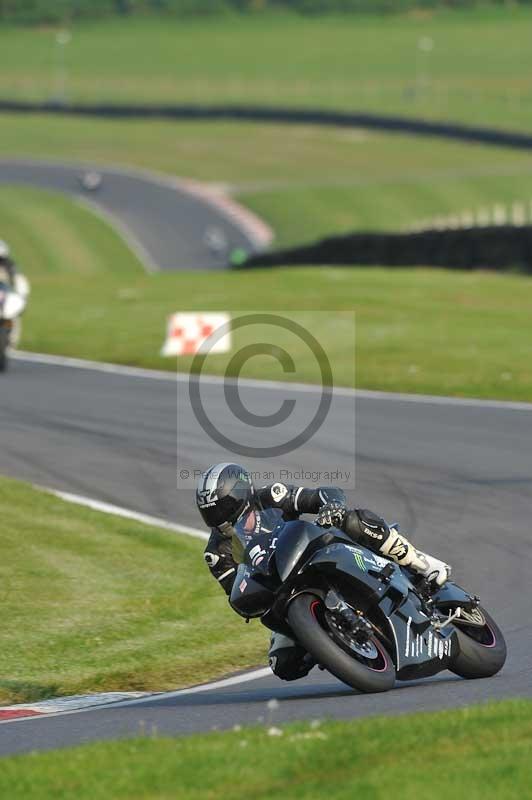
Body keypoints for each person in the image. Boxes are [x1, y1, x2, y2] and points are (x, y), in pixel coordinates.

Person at [197, 462, 451, 682]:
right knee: (283, 664)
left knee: (355, 521)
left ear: (240, 494)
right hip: (281, 593)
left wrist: (333, 506)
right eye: (210, 512)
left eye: (221, 507)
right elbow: (237, 594)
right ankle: (331, 642)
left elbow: (319, 496)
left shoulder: (271, 497)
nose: (217, 517)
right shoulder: (216, 553)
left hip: (316, 553)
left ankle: (421, 564)